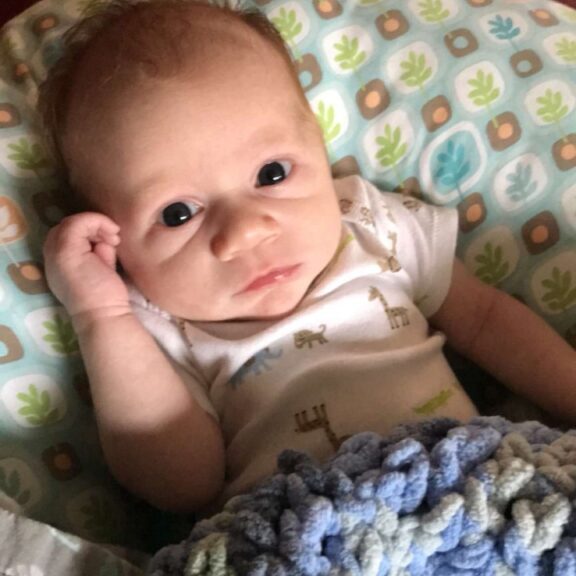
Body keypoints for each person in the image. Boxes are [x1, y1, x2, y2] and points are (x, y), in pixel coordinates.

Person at [40, 0, 576, 514]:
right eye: (178, 213)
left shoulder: (371, 224)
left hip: (467, 488)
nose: (246, 231)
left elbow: (485, 321)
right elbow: (183, 485)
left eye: (272, 175)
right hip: (303, 530)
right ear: (117, 245)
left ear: (318, 148)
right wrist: (100, 318)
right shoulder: (156, 327)